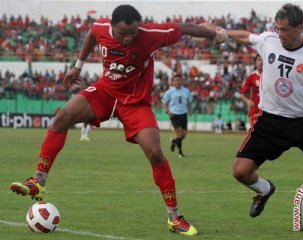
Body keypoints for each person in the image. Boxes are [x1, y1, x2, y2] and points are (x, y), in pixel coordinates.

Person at [10, 4, 228, 236]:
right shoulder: (101, 27)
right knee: (61, 118)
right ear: (112, 26)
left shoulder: (151, 34)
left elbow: (186, 28)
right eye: (123, 34)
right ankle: (38, 182)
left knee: (155, 153)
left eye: (133, 33)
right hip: (105, 92)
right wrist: (78, 67)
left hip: (135, 103)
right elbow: (91, 35)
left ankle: (174, 218)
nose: (128, 38)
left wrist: (216, 34)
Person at [206, 3, 303, 234]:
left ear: (299, 28)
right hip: (268, 122)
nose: (280, 34)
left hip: (302, 122)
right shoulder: (269, 40)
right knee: (240, 172)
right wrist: (223, 33)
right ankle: (265, 190)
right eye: (277, 28)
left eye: (285, 29)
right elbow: (247, 36)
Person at [162, 74, 192, 158]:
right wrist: (167, 111)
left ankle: (174, 141)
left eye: (179, 80)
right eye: (176, 80)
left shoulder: (186, 91)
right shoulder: (169, 92)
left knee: (184, 135)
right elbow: (164, 102)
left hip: (184, 114)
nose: (178, 82)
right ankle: (180, 153)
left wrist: (190, 111)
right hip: (174, 114)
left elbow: (190, 102)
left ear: (181, 81)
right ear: (173, 82)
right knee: (179, 133)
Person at [240, 54, 262, 128]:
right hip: (255, 111)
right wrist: (247, 101)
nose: (260, 62)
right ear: (255, 62)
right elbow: (242, 94)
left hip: (267, 111)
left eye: (262, 60)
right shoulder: (251, 76)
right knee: (254, 134)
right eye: (258, 60)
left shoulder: (269, 76)